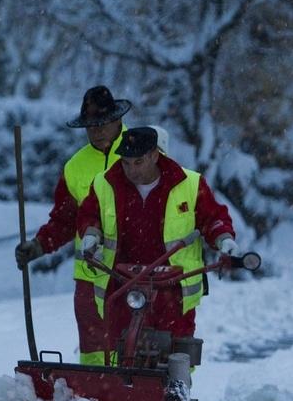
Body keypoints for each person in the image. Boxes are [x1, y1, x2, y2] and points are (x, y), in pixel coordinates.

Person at [76, 127, 239, 365]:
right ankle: (117, 396)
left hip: (172, 290)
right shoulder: (105, 184)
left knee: (175, 353)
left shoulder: (190, 184)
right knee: (121, 350)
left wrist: (224, 240)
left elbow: (213, 218)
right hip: (122, 285)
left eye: (138, 162)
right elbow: (90, 215)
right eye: (126, 163)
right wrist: (91, 235)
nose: (131, 170)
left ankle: (175, 393)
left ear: (154, 155)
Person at [14, 85, 131, 362]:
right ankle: (93, 400)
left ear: (117, 119)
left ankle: (132, 399)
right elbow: (65, 220)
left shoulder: (141, 152)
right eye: (91, 125)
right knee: (93, 351)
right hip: (90, 276)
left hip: (134, 272)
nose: (97, 130)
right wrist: (39, 245)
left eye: (103, 123)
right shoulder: (75, 167)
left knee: (131, 347)